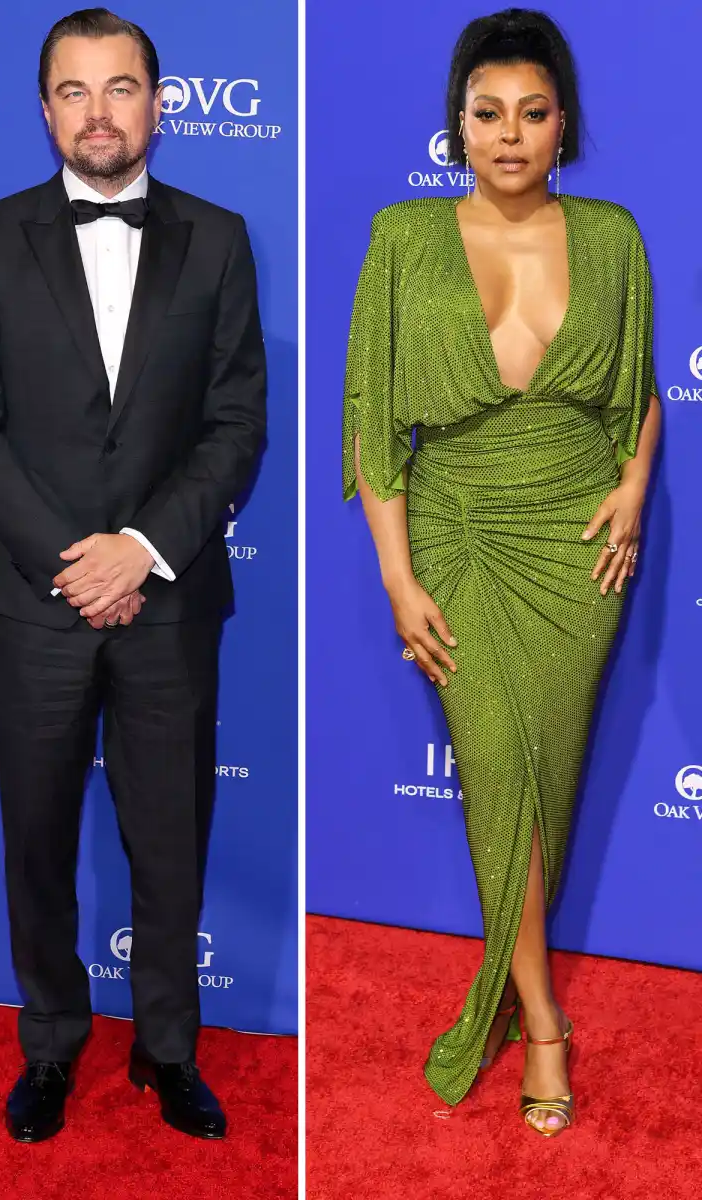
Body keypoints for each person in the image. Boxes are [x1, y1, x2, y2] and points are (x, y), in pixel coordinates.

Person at [0, 6, 266, 1143]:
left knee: (170, 837)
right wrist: (75, 562)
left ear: (158, 104)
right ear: (45, 110)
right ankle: (49, 1044)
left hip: (170, 597)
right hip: (33, 600)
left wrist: (143, 549)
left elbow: (236, 423)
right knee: (35, 837)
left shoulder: (219, 238)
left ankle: (167, 1047)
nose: (98, 112)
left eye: (119, 87)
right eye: (73, 91)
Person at [343, 8, 659, 1136]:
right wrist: (398, 577)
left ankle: (520, 1002)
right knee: (494, 774)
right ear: (458, 126)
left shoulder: (612, 236)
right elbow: (375, 419)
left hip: (581, 540)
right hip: (459, 530)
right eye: (487, 114)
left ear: (563, 125)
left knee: (547, 780)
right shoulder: (403, 237)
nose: (509, 134)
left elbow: (639, 387)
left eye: (532, 113)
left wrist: (634, 485)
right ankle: (542, 1024)